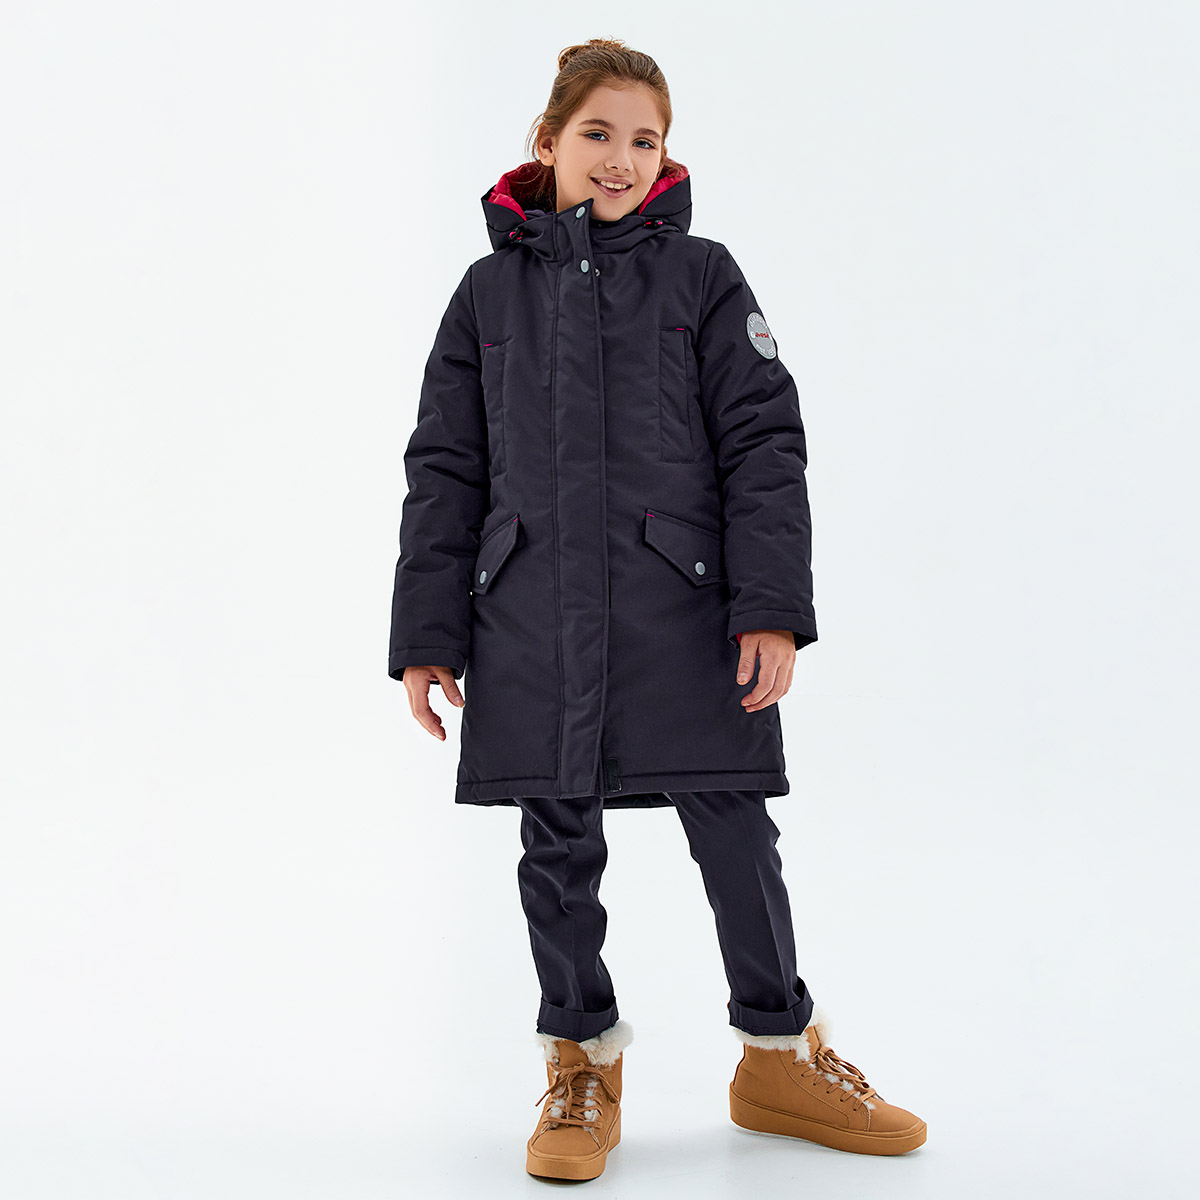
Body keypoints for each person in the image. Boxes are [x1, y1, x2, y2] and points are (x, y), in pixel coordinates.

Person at [388, 37, 926, 1180]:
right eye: (598, 133)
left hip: (682, 614)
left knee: (734, 826)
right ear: (546, 142)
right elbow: (444, 469)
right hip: (531, 615)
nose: (621, 159)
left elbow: (764, 445)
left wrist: (769, 606)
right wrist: (428, 636)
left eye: (645, 140)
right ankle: (579, 1064)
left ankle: (779, 1055)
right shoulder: (486, 297)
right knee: (555, 843)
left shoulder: (703, 279)